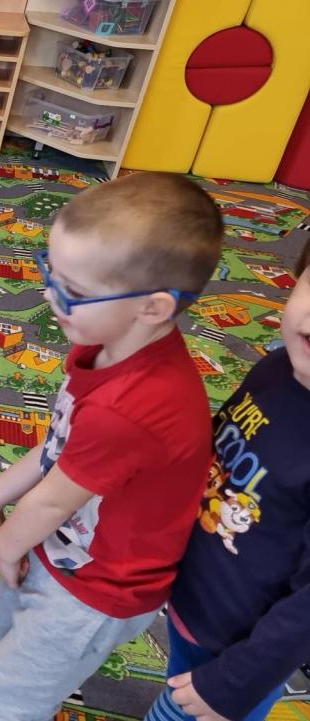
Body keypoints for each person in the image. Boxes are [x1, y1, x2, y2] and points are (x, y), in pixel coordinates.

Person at [0, 172, 224, 721]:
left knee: (19, 691)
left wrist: (5, 547)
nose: (51, 296)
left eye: (75, 291)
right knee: (3, 634)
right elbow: (59, 444)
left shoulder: (130, 406)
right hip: (69, 544)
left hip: (97, 587)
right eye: (52, 272)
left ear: (153, 308)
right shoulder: (106, 344)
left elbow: (51, 501)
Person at [143, 238, 310, 721]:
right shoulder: (278, 367)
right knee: (177, 678)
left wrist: (233, 685)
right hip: (195, 597)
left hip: (238, 651)